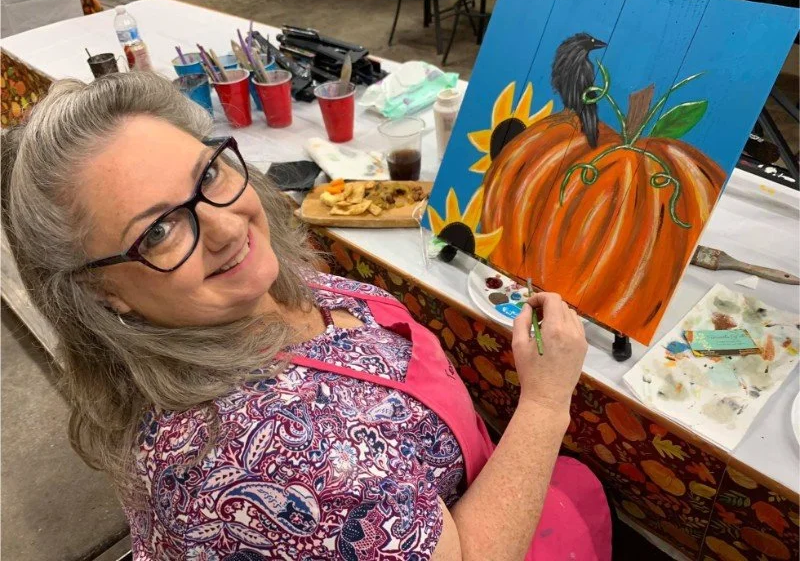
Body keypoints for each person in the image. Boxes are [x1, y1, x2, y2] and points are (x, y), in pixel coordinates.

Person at [2, 72, 610, 561]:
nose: (224, 225)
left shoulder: (249, 291)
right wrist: (546, 402)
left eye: (208, 174)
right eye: (159, 230)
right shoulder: (268, 464)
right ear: (103, 293)